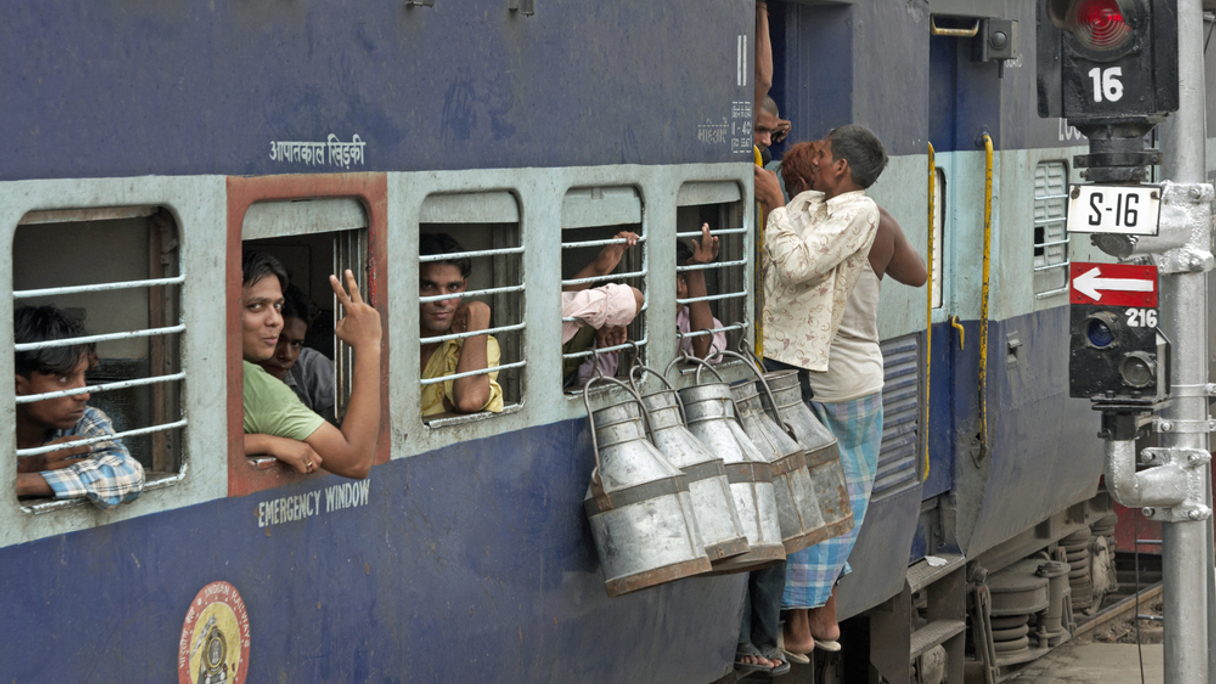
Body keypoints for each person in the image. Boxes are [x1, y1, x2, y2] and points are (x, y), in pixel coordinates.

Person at [739, 125, 888, 674]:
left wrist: (776, 204)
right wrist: (790, 201)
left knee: (819, 500)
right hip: (792, 361)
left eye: (822, 155)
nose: (817, 161)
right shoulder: (818, 204)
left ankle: (794, 622)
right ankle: (807, 621)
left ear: (841, 168)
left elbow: (798, 264)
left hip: (820, 374)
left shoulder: (860, 214)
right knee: (817, 495)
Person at [782, 207, 928, 656]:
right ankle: (826, 616)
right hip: (868, 379)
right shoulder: (879, 222)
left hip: (828, 385)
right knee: (846, 502)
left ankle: (800, 624)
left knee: (817, 503)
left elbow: (791, 271)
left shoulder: (816, 227)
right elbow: (919, 274)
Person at [241, 251, 382, 479]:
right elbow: (355, 462)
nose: (275, 320)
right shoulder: (252, 382)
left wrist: (259, 442)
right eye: (256, 306)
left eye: (277, 306)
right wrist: (368, 344)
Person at [13, 305, 144, 509]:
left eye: (84, 376)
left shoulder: (84, 422)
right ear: (16, 386)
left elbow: (129, 474)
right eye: (64, 378)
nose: (84, 393)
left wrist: (22, 481)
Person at [419, 233, 503, 417]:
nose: (442, 300)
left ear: (464, 287)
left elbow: (469, 401)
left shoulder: (479, 345)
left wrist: (480, 315)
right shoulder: (391, 341)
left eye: (453, 287)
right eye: (428, 286)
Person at [255, 284, 337, 425]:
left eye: (296, 344)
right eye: (278, 339)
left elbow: (337, 439)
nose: (287, 355)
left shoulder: (312, 367)